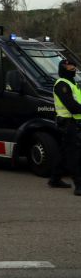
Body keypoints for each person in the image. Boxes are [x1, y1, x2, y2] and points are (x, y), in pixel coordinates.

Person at [51, 58, 81, 195]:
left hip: (74, 122)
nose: (73, 69)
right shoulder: (61, 84)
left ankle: (55, 179)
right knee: (74, 155)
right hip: (68, 123)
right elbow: (72, 106)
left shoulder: (73, 83)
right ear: (63, 68)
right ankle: (79, 185)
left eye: (74, 67)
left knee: (65, 152)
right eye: (69, 67)